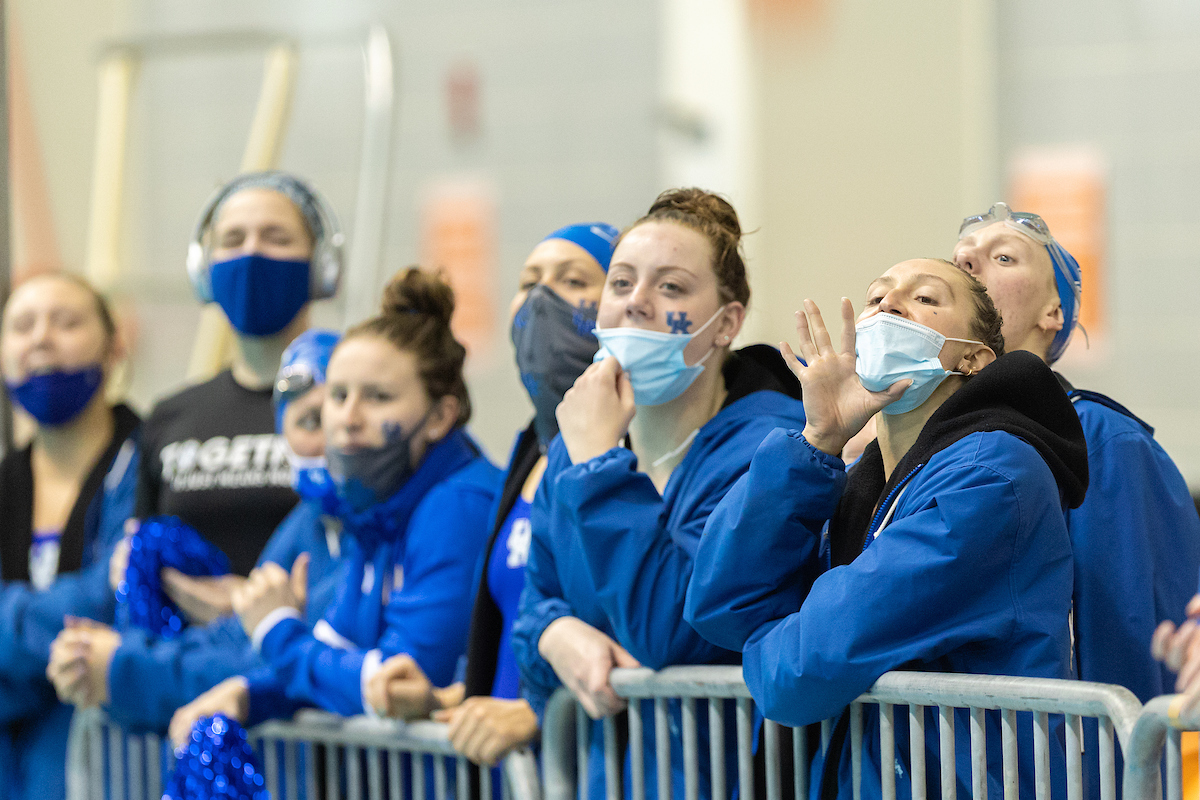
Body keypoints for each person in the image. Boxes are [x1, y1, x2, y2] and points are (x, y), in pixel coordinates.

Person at [686, 258, 1088, 800]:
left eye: (924, 298)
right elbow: (719, 605)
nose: (888, 305)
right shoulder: (860, 479)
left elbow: (803, 671)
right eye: (877, 297)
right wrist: (817, 442)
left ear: (972, 358)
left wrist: (775, 636)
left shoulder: (992, 475)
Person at [511, 189, 806, 800]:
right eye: (620, 283)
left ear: (726, 322)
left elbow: (673, 632)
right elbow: (534, 605)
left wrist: (598, 468)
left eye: (670, 288)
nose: (636, 304)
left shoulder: (768, 449)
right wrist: (552, 635)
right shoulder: (577, 443)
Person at [169, 268, 499, 733]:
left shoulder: (457, 506)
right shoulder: (375, 508)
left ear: (440, 417)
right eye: (339, 395)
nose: (347, 418)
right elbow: (341, 648)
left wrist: (276, 630)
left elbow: (392, 684)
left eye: (378, 397)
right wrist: (253, 694)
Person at [364, 222, 617, 774]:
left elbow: (652, 645)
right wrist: (446, 697)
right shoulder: (529, 453)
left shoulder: (627, 460)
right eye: (528, 282)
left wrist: (537, 714)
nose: (542, 298)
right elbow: (512, 662)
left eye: (572, 280)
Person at [953, 202, 1200, 704]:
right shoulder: (907, 442)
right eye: (960, 261)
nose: (972, 264)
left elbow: (1130, 628)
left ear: (1054, 313)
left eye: (1004, 258)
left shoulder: (1103, 440)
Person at [45, 329, 347, 735]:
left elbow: (292, 666)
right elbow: (240, 639)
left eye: (343, 412)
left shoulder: (404, 522)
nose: (337, 437)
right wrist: (111, 656)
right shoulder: (311, 522)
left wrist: (123, 668)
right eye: (310, 422)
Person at [137, 170, 344, 579]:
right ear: (204, 270)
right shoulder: (170, 418)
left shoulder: (351, 405)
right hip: (184, 644)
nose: (252, 253)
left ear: (320, 266)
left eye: (277, 238)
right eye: (233, 240)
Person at [0, 272, 141, 800]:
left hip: (112, 769)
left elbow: (121, 602)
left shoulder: (148, 469)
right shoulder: (7, 483)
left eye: (67, 322)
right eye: (22, 325)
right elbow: (94, 600)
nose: (41, 338)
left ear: (115, 344)